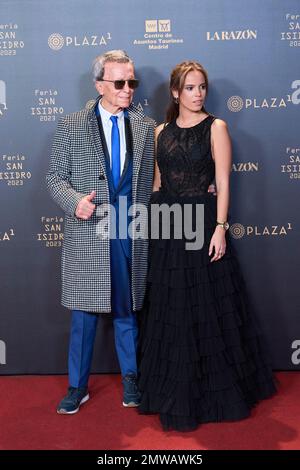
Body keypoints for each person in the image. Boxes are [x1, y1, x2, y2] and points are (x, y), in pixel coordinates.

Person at [138, 61, 276, 431]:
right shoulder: (159, 132)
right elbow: (155, 184)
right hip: (168, 226)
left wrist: (219, 227)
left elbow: (224, 183)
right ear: (175, 93)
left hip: (202, 224)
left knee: (208, 309)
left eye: (202, 87)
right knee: (172, 308)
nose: (198, 94)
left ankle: (209, 392)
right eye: (190, 88)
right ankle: (173, 389)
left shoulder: (217, 127)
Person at [46, 50, 155, 414]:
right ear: (99, 84)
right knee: (84, 316)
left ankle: (131, 380)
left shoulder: (144, 126)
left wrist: (201, 186)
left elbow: (153, 180)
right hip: (88, 230)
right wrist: (75, 201)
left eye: (132, 82)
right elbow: (54, 178)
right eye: (120, 82)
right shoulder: (71, 124)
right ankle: (77, 386)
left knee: (128, 310)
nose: (128, 89)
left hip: (129, 228)